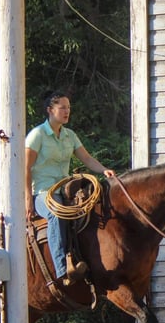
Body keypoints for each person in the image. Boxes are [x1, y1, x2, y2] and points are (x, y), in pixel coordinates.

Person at [25, 91, 115, 286]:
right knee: (56, 214)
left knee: (95, 208)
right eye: (62, 107)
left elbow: (87, 158)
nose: (67, 111)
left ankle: (91, 261)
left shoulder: (69, 135)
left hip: (65, 190)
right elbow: (25, 168)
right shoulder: (37, 135)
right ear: (50, 110)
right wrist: (26, 199)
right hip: (42, 193)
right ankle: (61, 269)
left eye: (69, 107)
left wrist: (104, 170)